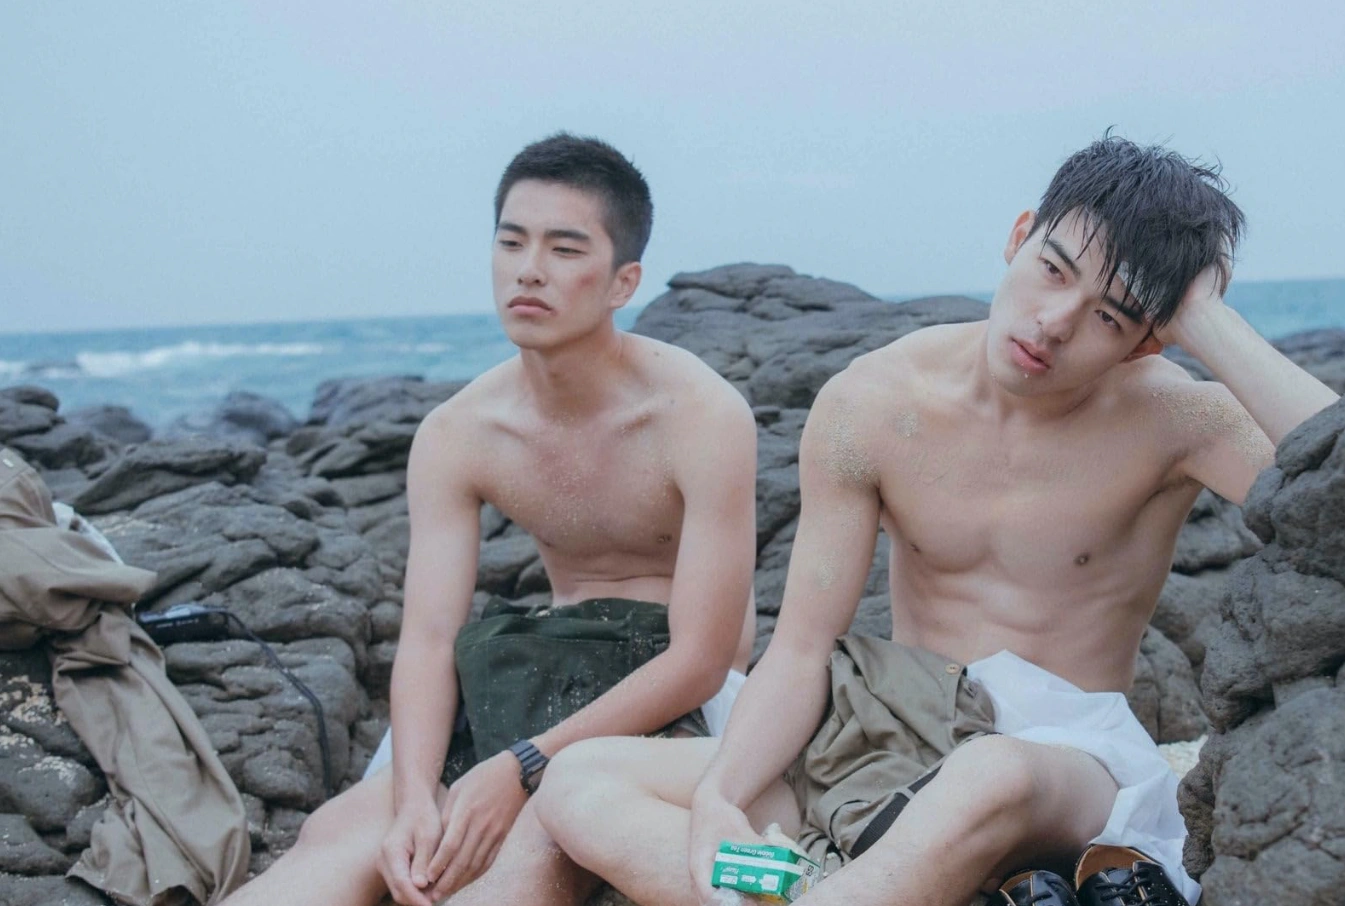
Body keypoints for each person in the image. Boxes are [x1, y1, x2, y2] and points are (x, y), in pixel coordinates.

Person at [533, 135, 1341, 906]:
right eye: (1052, 270)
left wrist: (1200, 312)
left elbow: (1331, 475)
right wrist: (720, 797)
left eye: (1109, 315)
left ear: (1144, 343)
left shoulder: (1177, 420)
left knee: (989, 775)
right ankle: (853, 886)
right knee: (579, 779)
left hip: (1058, 760)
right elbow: (803, 646)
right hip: (881, 733)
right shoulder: (873, 401)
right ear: (1018, 236)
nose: (1053, 322)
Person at [220, 133, 759, 906]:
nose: (528, 269)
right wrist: (413, 797)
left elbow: (702, 657)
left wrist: (524, 766)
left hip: (672, 702)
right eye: (511, 242)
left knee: (535, 847)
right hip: (532, 670)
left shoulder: (700, 416)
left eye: (564, 248)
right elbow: (429, 637)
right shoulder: (459, 431)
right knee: (344, 834)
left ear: (622, 281)